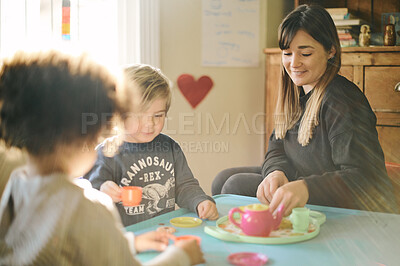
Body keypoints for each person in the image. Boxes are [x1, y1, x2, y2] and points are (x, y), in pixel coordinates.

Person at [0, 50, 204, 265]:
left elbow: (65, 243)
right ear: (80, 139)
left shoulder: (17, 185)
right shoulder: (86, 206)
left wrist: (130, 241)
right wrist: (182, 256)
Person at [212, 4, 398, 216]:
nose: (294, 63)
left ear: (331, 51)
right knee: (222, 179)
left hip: (345, 204)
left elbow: (364, 178)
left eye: (305, 53)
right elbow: (277, 147)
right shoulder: (294, 94)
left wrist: (306, 187)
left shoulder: (342, 101)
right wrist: (275, 171)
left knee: (234, 186)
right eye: (287, 53)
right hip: (303, 178)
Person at [84, 64, 218, 226]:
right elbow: (89, 191)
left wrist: (200, 201)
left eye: (158, 115)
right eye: (139, 116)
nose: (150, 124)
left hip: (165, 230)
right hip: (129, 238)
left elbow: (185, 186)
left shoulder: (170, 147)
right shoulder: (107, 153)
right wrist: (103, 190)